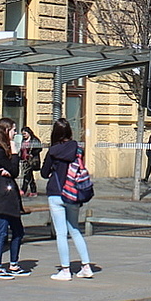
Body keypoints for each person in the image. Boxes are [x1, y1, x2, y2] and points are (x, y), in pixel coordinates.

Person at [41, 117, 94, 281]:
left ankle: (65, 270)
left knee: (61, 233)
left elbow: (44, 173)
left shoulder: (53, 150)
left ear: (55, 133)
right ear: (69, 132)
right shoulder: (77, 148)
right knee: (75, 229)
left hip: (56, 193)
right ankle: (86, 266)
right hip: (73, 193)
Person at [0, 117, 30, 279]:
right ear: (5, 131)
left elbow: (10, 170)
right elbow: (14, 170)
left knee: (18, 231)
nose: (16, 133)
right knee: (1, 231)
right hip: (2, 194)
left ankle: (14, 264)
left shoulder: (1, 148)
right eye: (13, 130)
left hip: (9, 193)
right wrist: (15, 153)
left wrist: (9, 166)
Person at [18, 126, 41, 197]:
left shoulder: (34, 140)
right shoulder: (23, 140)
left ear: (29, 133)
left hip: (32, 160)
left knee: (27, 174)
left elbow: (39, 148)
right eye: (22, 134)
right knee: (29, 175)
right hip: (25, 160)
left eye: (25, 133)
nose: (24, 135)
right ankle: (33, 191)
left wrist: (32, 154)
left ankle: (23, 190)